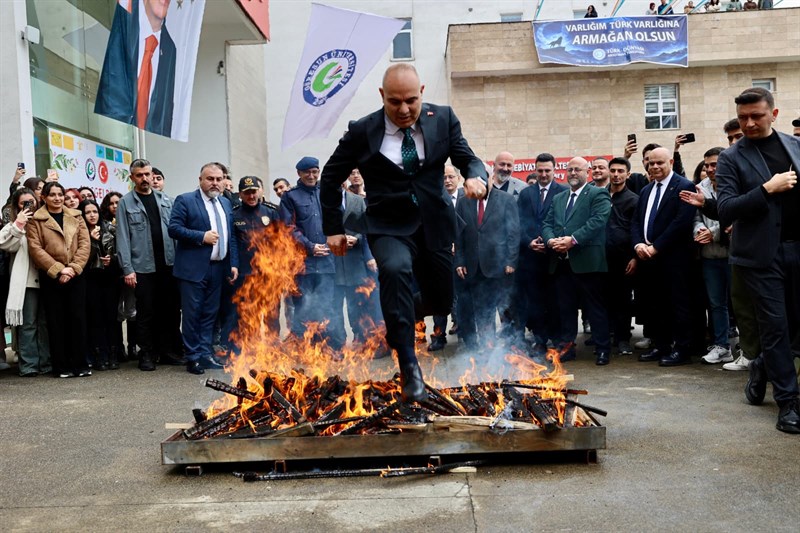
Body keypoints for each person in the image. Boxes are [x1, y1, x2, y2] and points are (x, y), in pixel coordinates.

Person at [320, 63, 488, 402]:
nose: (404, 109)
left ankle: (395, 312)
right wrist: (333, 229)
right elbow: (329, 176)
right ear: (382, 96)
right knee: (395, 270)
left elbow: (468, 158)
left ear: (421, 92)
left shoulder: (443, 118)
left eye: (411, 100)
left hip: (435, 222)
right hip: (387, 224)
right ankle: (409, 366)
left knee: (441, 299)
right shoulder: (362, 131)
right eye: (394, 102)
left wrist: (475, 176)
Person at [716, 87, 800, 434]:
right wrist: (767, 189)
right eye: (742, 118)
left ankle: (762, 365)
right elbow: (725, 209)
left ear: (774, 114)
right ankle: (789, 404)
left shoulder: (794, 146)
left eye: (756, 116)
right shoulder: (731, 158)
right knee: (776, 328)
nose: (749, 123)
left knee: (794, 331)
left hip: (797, 249)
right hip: (759, 257)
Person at [168, 162, 239, 375]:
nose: (215, 183)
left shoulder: (225, 203)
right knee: (192, 314)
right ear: (200, 180)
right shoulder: (186, 200)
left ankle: (206, 354)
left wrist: (233, 263)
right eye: (210, 179)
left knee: (210, 314)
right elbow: (174, 228)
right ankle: (193, 357)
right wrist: (201, 237)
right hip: (193, 269)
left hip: (218, 268)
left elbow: (231, 236)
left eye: (219, 179)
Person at [542, 157, 612, 365]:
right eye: (569, 169)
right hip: (562, 263)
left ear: (587, 172)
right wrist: (550, 240)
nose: (573, 173)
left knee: (595, 308)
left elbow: (598, 221)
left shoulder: (598, 193)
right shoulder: (559, 198)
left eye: (577, 170)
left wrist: (572, 240)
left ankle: (602, 349)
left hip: (588, 263)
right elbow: (546, 223)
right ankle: (568, 347)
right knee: (566, 308)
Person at [632, 147, 696, 367]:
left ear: (670, 161)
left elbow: (681, 222)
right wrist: (639, 243)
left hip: (674, 259)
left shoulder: (684, 186)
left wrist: (656, 247)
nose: (655, 167)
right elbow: (636, 221)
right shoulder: (646, 190)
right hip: (648, 258)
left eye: (659, 163)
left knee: (678, 305)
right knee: (655, 305)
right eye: (650, 163)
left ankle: (682, 349)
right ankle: (661, 345)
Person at [116, 159, 181, 371]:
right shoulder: (126, 203)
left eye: (147, 174)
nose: (145, 179)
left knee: (170, 310)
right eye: (139, 175)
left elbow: (175, 231)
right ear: (132, 177)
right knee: (146, 312)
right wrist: (128, 269)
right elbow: (123, 238)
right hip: (143, 267)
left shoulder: (165, 200)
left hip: (168, 265)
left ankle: (167, 351)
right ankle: (147, 353)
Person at [26, 182, 91, 378]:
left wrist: (72, 268)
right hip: (51, 276)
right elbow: (35, 249)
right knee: (56, 321)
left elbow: (84, 245)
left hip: (75, 274)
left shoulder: (76, 216)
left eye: (60, 194)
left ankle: (80, 364)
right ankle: (61, 366)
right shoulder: (35, 220)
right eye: (52, 194)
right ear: (43, 197)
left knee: (78, 319)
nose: (57, 198)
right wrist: (59, 270)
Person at [280, 157, 342, 352]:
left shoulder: (326, 193)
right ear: (299, 173)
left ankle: (326, 347)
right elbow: (288, 228)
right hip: (302, 265)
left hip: (327, 263)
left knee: (327, 307)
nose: (311, 175)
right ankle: (304, 349)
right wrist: (310, 246)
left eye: (315, 171)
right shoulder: (290, 197)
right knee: (303, 307)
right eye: (307, 172)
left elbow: (336, 219)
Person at [94, 0, 176, 136]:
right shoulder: (121, 24)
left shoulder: (170, 48)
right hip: (107, 134)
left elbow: (164, 115)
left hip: (138, 141)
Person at [517, 153, 566, 357]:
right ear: (535, 170)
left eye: (548, 170)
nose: (544, 174)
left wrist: (549, 242)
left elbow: (565, 221)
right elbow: (517, 222)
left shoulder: (562, 192)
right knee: (534, 302)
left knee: (555, 300)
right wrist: (529, 242)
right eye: (540, 170)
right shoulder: (526, 193)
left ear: (554, 170)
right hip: (531, 259)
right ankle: (539, 340)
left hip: (554, 258)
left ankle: (556, 339)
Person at [222, 176, 280, 351]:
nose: (251, 196)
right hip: (246, 274)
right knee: (248, 313)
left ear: (260, 191)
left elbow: (281, 242)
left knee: (272, 314)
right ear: (240, 194)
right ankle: (252, 348)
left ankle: (273, 348)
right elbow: (231, 243)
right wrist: (234, 267)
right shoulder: (234, 214)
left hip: (269, 273)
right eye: (247, 193)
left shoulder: (271, 212)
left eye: (254, 191)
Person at [0, 188, 51, 376]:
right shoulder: (15, 224)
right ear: (17, 206)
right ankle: (29, 365)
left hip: (47, 277)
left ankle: (46, 363)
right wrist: (19, 224)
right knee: (28, 324)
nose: (29, 205)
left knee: (45, 323)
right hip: (27, 281)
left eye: (32, 201)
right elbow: (5, 244)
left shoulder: (45, 220)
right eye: (24, 203)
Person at [691, 147, 733, 365]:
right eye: (706, 165)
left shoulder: (734, 183)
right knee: (716, 303)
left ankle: (747, 349)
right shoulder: (700, 188)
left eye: (714, 165)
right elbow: (696, 216)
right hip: (709, 255)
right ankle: (721, 346)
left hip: (733, 253)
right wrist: (699, 231)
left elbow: (735, 216)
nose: (709, 169)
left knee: (741, 303)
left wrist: (714, 233)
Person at [79, 199, 120, 370]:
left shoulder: (110, 229)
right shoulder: (79, 232)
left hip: (109, 278)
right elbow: (78, 256)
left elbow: (121, 251)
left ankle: (113, 354)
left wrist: (113, 259)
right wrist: (90, 241)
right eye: (88, 212)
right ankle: (98, 355)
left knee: (111, 317)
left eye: (94, 211)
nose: (92, 215)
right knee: (95, 318)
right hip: (89, 278)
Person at [605, 158, 639, 356]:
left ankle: (623, 339)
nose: (616, 174)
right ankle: (606, 337)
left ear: (628, 174)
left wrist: (635, 257)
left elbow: (637, 230)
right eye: (613, 170)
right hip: (601, 258)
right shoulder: (600, 196)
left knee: (623, 301)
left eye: (620, 171)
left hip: (624, 259)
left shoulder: (633, 200)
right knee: (604, 300)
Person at [429, 164, 463, 350]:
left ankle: (464, 333)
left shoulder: (467, 199)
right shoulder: (433, 200)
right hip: (439, 258)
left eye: (451, 177)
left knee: (462, 297)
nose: (448, 181)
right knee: (439, 298)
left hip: (462, 258)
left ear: (458, 178)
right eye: (444, 178)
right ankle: (438, 336)